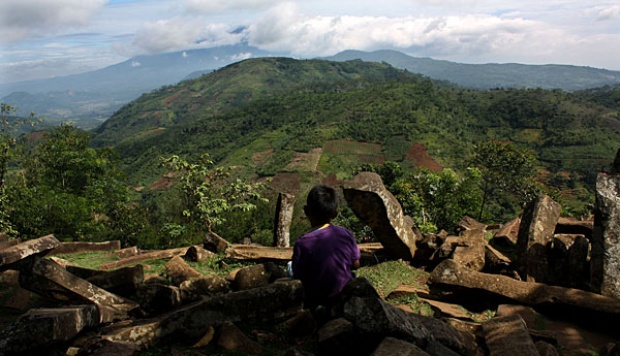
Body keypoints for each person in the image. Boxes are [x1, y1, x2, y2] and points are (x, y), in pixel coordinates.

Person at [290, 184, 361, 311]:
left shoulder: (303, 242)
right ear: (335, 214)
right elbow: (355, 264)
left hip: (315, 299)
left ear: (306, 210)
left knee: (290, 267)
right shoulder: (345, 233)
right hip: (343, 293)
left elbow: (299, 276)